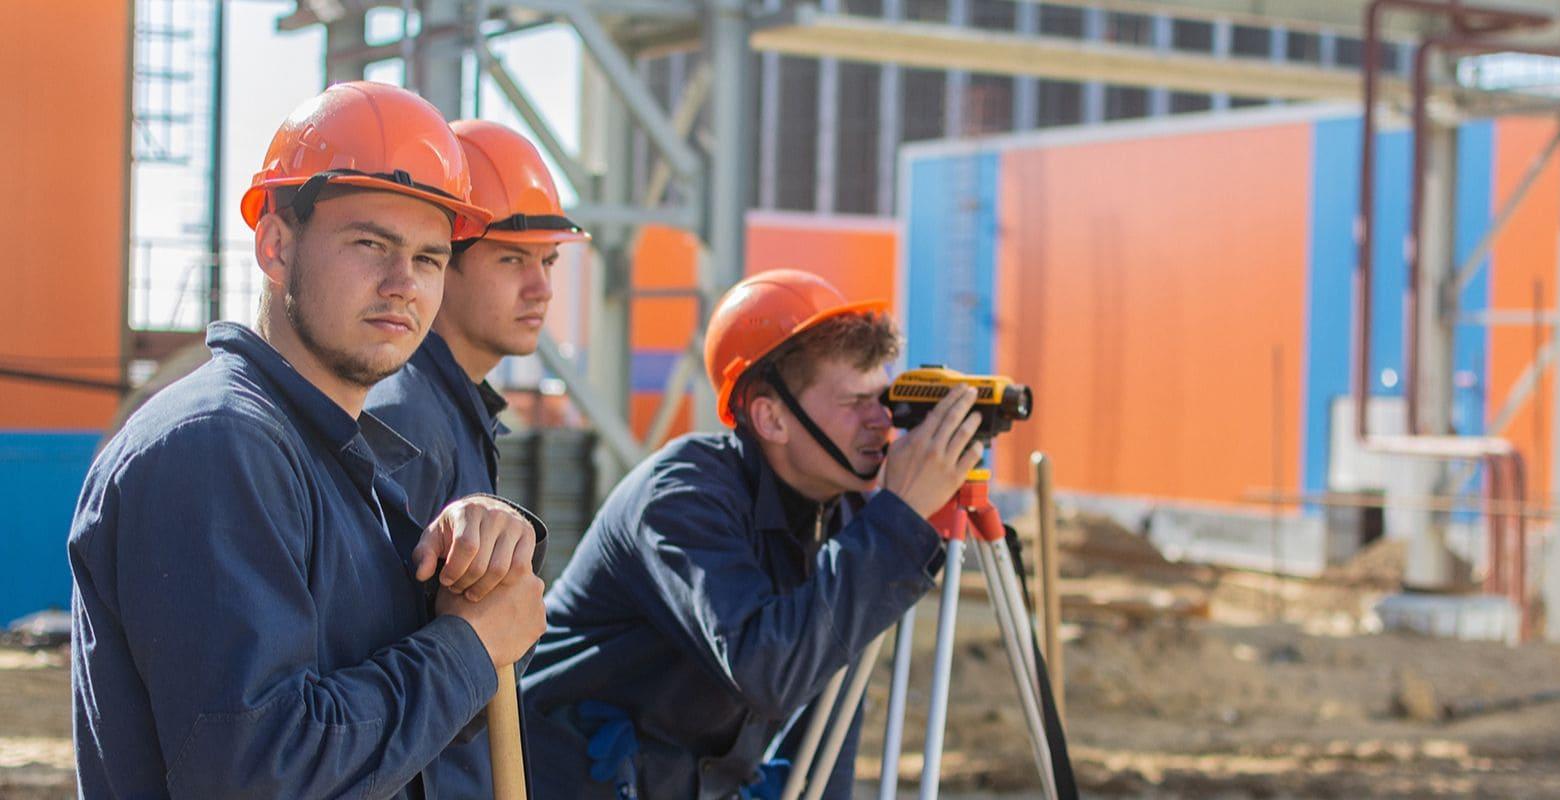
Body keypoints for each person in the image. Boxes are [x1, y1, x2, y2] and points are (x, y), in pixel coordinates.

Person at [68, 81, 548, 798]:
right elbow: (262, 772)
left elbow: (396, 719)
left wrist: (475, 555)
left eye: (429, 258)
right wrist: (471, 645)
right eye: (369, 244)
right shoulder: (216, 448)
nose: (403, 285)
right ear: (274, 244)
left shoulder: (339, 461)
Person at [520, 269, 984, 798]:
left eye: (884, 397)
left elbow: (830, 707)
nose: (883, 421)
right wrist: (898, 519)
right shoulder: (682, 497)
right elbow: (767, 668)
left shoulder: (840, 510)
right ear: (770, 417)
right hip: (568, 777)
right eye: (856, 402)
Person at [365, 118, 588, 795]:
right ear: (442, 260)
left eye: (548, 262)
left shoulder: (452, 406)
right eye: (512, 260)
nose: (541, 288)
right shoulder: (405, 414)